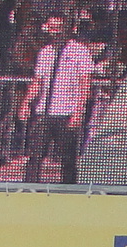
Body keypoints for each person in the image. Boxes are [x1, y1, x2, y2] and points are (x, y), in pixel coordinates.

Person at [21, 12, 97, 184]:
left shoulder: (79, 51)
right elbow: (37, 81)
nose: (54, 31)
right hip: (44, 111)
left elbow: (85, 84)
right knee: (35, 155)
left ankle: (68, 190)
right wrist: (26, 103)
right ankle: (29, 188)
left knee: (67, 158)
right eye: (51, 27)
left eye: (58, 27)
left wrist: (79, 111)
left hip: (66, 112)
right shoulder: (45, 52)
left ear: (67, 29)